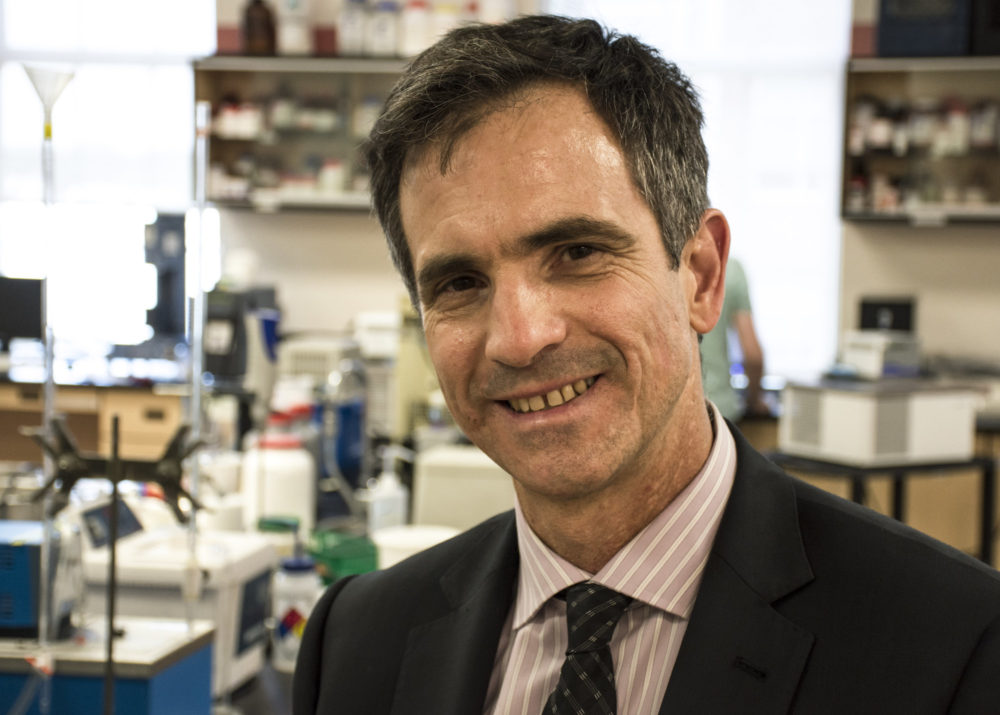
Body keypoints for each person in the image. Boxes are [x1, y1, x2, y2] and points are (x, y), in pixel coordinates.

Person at [293, 15, 1000, 714]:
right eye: (459, 283)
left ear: (701, 276)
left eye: (577, 253)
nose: (520, 338)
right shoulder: (355, 641)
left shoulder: (953, 647)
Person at [700, 257, 769, 421]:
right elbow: (753, 356)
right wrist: (754, 400)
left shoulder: (663, 264)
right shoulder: (729, 269)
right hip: (721, 409)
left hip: (676, 412)